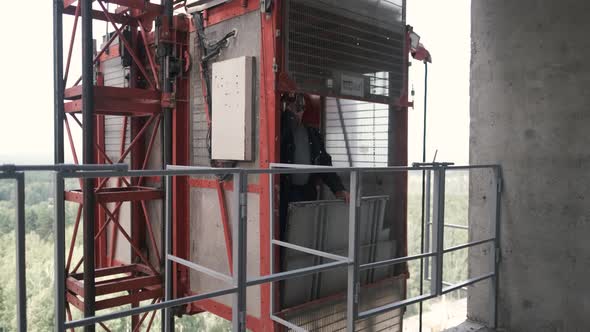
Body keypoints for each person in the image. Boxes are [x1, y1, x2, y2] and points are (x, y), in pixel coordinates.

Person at [279, 93, 350, 204]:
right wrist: (288, 119)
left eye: (301, 106)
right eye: (291, 106)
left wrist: (338, 189)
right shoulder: (278, 132)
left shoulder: (313, 134)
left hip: (306, 193)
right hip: (284, 194)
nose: (297, 111)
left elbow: (324, 162)